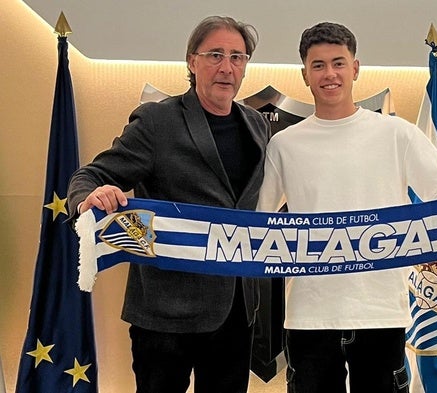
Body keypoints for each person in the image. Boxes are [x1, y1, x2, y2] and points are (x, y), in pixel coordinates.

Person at [256, 21, 437, 393]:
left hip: (382, 311)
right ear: (304, 74)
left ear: (356, 68)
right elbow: (255, 223)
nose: (329, 74)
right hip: (309, 316)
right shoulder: (284, 145)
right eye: (318, 65)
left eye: (338, 62)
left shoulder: (396, 134)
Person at [67, 16, 270, 393]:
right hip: (164, 315)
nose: (227, 67)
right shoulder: (157, 121)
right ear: (192, 62)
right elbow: (89, 177)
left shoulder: (256, 124)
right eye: (215, 55)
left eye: (237, 57)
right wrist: (87, 198)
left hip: (235, 311)